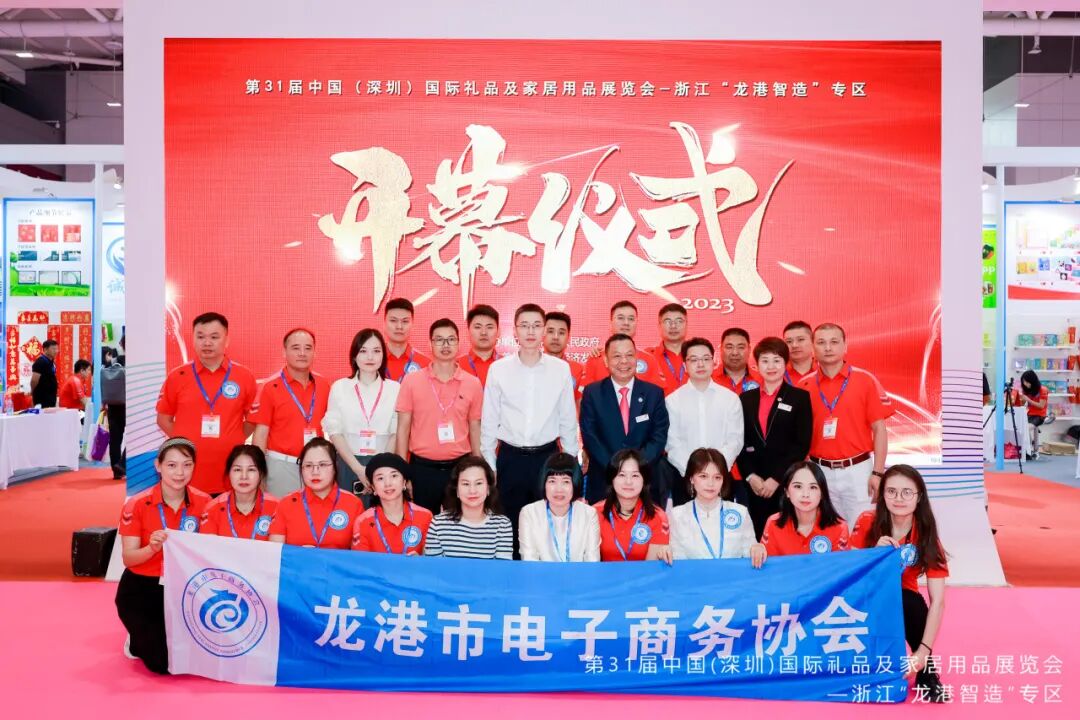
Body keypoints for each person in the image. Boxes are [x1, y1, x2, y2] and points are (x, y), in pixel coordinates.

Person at [482, 303, 578, 549]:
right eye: (524, 326)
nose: (531, 331)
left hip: (547, 458)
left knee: (547, 526)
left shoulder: (560, 369)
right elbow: (489, 421)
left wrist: (569, 464)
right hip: (510, 458)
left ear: (544, 329)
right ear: (515, 331)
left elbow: (568, 420)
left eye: (536, 325)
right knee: (509, 526)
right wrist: (490, 464)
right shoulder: (498, 370)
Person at [850, 465, 948, 703]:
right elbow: (849, 574)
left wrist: (923, 651)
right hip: (865, 597)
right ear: (882, 495)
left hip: (904, 602)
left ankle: (926, 671)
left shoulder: (926, 535)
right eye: (891, 491)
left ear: (919, 496)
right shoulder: (867, 521)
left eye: (907, 492)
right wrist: (873, 555)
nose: (899, 498)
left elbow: (938, 601)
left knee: (911, 602)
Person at [115, 438, 210, 674]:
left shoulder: (205, 503)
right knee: (162, 664)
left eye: (187, 465)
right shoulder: (137, 504)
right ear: (158, 466)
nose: (180, 473)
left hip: (185, 588)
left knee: (202, 654)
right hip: (143, 585)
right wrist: (151, 548)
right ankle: (135, 639)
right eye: (172, 465)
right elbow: (128, 558)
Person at [798, 323, 894, 527]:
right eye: (821, 342)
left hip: (858, 471)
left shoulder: (865, 380)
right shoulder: (804, 385)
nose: (828, 348)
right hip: (818, 470)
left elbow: (879, 429)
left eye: (834, 342)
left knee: (862, 529)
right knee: (824, 532)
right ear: (813, 348)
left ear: (845, 346)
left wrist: (878, 473)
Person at [156, 312, 258, 495]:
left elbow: (252, 419)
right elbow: (163, 419)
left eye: (214, 337)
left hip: (229, 471)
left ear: (226, 340)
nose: (207, 343)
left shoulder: (244, 377)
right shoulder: (177, 376)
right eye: (201, 336)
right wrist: (184, 442)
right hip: (186, 474)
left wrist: (232, 437)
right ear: (193, 339)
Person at [396, 319, 483, 514]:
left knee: (459, 523)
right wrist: (402, 472)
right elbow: (403, 428)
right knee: (423, 523)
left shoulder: (472, 383)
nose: (445, 345)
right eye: (439, 340)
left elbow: (475, 426)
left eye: (451, 339)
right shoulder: (412, 381)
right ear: (430, 344)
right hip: (422, 469)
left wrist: (478, 468)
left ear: (459, 343)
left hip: (460, 469)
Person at [736, 337, 813, 538]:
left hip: (786, 481)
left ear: (786, 363)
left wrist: (777, 478)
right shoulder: (745, 399)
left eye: (777, 360)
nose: (771, 366)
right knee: (757, 535)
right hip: (754, 484)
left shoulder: (799, 397)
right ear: (756, 364)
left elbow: (801, 444)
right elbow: (738, 442)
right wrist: (750, 476)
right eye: (765, 361)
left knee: (786, 534)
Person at [580, 334, 669, 503]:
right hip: (604, 479)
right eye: (617, 356)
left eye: (629, 355)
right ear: (606, 361)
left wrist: (636, 469)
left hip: (645, 480)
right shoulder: (593, 393)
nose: (624, 361)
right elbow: (590, 435)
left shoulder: (654, 393)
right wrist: (616, 469)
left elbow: (659, 436)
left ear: (636, 358)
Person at [663, 337, 743, 507]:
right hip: (685, 479)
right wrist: (694, 472)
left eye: (706, 359)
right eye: (694, 360)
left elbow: (735, 440)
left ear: (714, 362)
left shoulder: (730, 399)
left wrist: (716, 472)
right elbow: (672, 443)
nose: (700, 364)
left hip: (721, 479)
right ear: (685, 365)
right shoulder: (672, 401)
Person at [251, 328, 331, 497]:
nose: (302, 353)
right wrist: (259, 472)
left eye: (308, 348)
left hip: (316, 467)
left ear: (315, 352)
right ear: (284, 352)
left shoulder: (324, 385)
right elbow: (261, 434)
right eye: (296, 348)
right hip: (281, 466)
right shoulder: (270, 387)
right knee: (280, 512)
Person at [323, 329, 400, 496]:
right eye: (363, 351)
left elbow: (396, 433)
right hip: (348, 463)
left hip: (383, 467)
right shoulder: (339, 387)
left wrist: (380, 468)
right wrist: (358, 469)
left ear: (383, 355)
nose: (370, 357)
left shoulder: (395, 389)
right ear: (354, 355)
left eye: (376, 351)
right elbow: (335, 432)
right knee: (349, 510)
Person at [669, 448, 765, 565]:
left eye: (717, 477)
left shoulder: (739, 512)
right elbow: (678, 562)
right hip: (693, 576)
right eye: (703, 476)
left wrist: (757, 549)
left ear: (723, 480)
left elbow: (750, 552)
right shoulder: (677, 515)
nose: (711, 483)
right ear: (691, 479)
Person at [267, 438, 363, 549]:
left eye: (322, 465)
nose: (315, 472)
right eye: (308, 465)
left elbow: (359, 555)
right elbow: (275, 552)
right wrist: (300, 554)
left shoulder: (353, 503)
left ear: (335, 467)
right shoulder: (286, 504)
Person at [424, 456, 513, 559]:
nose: (472, 490)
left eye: (478, 483)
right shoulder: (438, 524)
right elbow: (434, 567)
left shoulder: (502, 525)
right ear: (457, 490)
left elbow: (502, 567)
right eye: (466, 484)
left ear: (488, 488)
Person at [518, 452, 601, 562]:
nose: (559, 489)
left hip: (580, 573)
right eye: (552, 481)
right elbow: (529, 560)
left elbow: (592, 560)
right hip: (540, 573)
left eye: (566, 482)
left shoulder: (588, 514)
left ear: (575, 483)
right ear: (544, 483)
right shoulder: (529, 513)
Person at [595, 449, 672, 563]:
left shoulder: (658, 517)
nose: (628, 482)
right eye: (622, 475)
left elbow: (651, 568)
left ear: (644, 480)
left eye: (635, 475)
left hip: (644, 574)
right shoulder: (594, 513)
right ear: (612, 479)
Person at [351, 453, 433, 554]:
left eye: (394, 476)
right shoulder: (363, 522)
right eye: (380, 478)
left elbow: (432, 559)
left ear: (404, 482)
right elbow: (360, 561)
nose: (388, 483)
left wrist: (419, 560)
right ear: (373, 488)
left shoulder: (425, 516)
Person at [760, 461, 849, 555]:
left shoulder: (839, 527)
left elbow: (841, 564)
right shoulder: (773, 523)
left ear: (822, 493)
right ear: (787, 492)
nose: (805, 494)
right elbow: (771, 563)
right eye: (798, 486)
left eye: (813, 487)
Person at [200, 444, 279, 540]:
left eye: (251, 470)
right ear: (229, 473)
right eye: (237, 470)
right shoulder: (212, 509)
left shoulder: (277, 508)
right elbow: (208, 547)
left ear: (261, 474)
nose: (244, 476)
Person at [580, 301, 666, 387]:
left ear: (636, 323)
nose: (626, 323)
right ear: (611, 322)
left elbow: (658, 393)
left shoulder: (649, 359)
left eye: (631, 319)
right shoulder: (596, 358)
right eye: (620, 318)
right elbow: (586, 393)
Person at [383, 297, 431, 382]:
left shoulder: (426, 364)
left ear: (412, 323)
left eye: (405, 321)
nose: (399, 326)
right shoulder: (371, 361)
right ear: (385, 322)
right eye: (393, 320)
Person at [543, 310, 585, 400]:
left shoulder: (578, 370)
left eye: (561, 333)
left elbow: (579, 403)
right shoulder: (530, 366)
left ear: (568, 337)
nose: (556, 337)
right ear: (542, 334)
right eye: (550, 331)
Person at [650, 303, 690, 396]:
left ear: (686, 324)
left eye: (679, 321)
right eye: (668, 321)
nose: (673, 326)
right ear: (659, 326)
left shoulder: (700, 357)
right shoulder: (648, 357)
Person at [458, 304, 500, 387]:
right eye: (477, 327)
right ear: (467, 331)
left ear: (498, 332)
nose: (483, 332)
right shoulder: (456, 366)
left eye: (489, 327)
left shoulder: (509, 366)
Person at [101, 348, 126, 480]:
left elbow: (105, 383)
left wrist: (104, 402)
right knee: (135, 436)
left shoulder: (112, 362)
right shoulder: (135, 361)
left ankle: (116, 470)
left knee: (115, 438)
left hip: (112, 404)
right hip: (128, 404)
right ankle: (122, 464)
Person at [712, 328, 762, 393]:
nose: (735, 353)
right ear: (721, 349)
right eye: (729, 347)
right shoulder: (709, 379)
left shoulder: (761, 379)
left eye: (741, 347)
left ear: (749, 349)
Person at [1018, 369, 1049, 459]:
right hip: (1029, 414)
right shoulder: (1026, 390)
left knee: (1026, 428)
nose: (1025, 384)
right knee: (1020, 428)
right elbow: (1023, 404)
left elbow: (1041, 406)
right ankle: (1028, 449)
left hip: (1040, 416)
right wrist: (1020, 399)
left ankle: (1029, 450)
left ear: (1032, 381)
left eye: (1027, 382)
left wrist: (1028, 399)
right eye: (1024, 382)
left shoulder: (1043, 390)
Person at [782, 320, 817, 385]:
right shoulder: (777, 372)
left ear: (813, 341)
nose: (794, 345)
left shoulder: (825, 370)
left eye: (800, 339)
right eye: (789, 341)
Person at [30, 339, 59, 408]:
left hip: (51, 397)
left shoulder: (51, 362)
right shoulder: (40, 362)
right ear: (45, 350)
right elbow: (34, 381)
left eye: (57, 349)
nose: (56, 351)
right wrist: (32, 392)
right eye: (53, 349)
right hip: (42, 399)